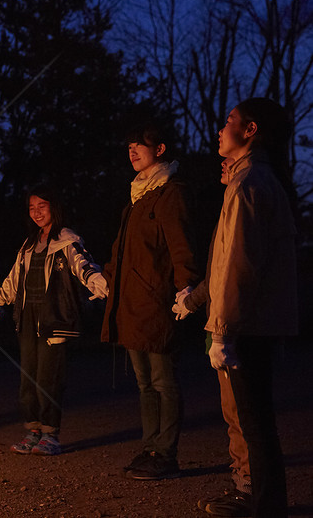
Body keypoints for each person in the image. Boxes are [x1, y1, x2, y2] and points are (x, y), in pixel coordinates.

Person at [187, 98, 297, 517]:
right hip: (258, 321)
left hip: (248, 324)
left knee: (254, 424)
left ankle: (267, 506)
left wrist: (222, 331)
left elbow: (237, 265)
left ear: (249, 130)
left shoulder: (250, 184)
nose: (221, 128)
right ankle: (265, 502)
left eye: (230, 120)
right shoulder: (253, 179)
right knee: (256, 422)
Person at [101, 121, 199, 480]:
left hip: (156, 302)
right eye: (128, 146)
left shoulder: (170, 192)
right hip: (130, 303)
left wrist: (186, 287)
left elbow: (180, 246)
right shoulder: (136, 198)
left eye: (139, 145)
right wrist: (105, 278)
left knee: (163, 381)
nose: (132, 151)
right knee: (144, 384)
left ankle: (166, 452)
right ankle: (150, 447)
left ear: (160, 149)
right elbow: (122, 251)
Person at [0, 186, 108, 456]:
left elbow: (82, 264)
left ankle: (51, 435)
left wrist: (96, 281)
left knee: (49, 379)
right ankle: (33, 431)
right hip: (29, 319)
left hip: (56, 318)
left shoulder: (65, 239)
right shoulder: (29, 244)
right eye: (32, 208)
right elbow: (13, 281)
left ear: (54, 207)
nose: (37, 212)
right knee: (28, 378)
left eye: (42, 206)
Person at [174, 158, 254, 516]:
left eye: (228, 160)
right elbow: (216, 270)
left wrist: (219, 328)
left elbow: (228, 270)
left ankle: (249, 487)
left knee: (241, 413)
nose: (222, 164)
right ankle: (244, 481)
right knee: (232, 411)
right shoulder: (228, 202)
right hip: (220, 323)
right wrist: (191, 303)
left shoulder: (246, 191)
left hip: (233, 326)